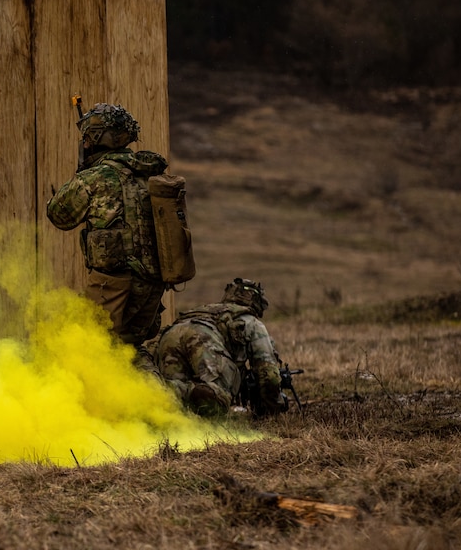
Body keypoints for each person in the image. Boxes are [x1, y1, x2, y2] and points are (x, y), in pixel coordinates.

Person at [46, 103, 169, 368]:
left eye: (88, 137)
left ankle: (82, 406)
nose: (85, 143)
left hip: (114, 285)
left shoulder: (96, 178)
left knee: (87, 344)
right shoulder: (148, 173)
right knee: (129, 349)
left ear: (96, 139)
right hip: (152, 283)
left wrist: (77, 179)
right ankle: (157, 404)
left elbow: (59, 215)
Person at [154, 278, 286, 417]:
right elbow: (268, 373)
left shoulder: (210, 310)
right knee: (217, 398)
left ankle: (149, 392)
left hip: (171, 335)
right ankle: (161, 390)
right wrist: (273, 408)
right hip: (201, 337)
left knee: (177, 407)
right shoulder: (250, 321)